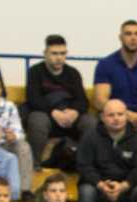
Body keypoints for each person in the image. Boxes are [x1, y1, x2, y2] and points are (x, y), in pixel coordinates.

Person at [78, 98, 137, 202]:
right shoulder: (89, 138)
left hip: (126, 189)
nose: (116, 118)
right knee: (86, 191)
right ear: (102, 117)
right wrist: (101, 185)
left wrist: (122, 186)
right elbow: (84, 167)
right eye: (111, 115)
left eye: (120, 114)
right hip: (98, 188)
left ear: (126, 116)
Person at [25, 34, 97, 167]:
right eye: (54, 53)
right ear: (45, 54)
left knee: (90, 121)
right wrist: (53, 112)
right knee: (37, 119)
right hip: (48, 116)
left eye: (62, 53)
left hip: (70, 117)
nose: (59, 57)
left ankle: (87, 166)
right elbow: (33, 99)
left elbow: (82, 100)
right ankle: (35, 166)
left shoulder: (73, 73)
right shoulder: (35, 72)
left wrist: (75, 112)